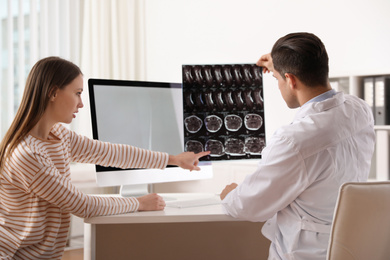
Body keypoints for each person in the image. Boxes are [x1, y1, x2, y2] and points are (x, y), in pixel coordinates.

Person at [0, 56, 209, 259]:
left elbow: (112, 153)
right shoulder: (28, 155)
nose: (81, 104)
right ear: (53, 92)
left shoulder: (59, 136)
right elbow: (82, 205)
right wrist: (138, 203)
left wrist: (173, 159)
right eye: (77, 93)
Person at [220, 32, 375, 260]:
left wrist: (231, 195)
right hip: (349, 249)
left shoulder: (294, 141)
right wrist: (279, 64)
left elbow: (247, 206)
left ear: (291, 80)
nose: (279, 85)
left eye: (278, 80)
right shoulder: (359, 110)